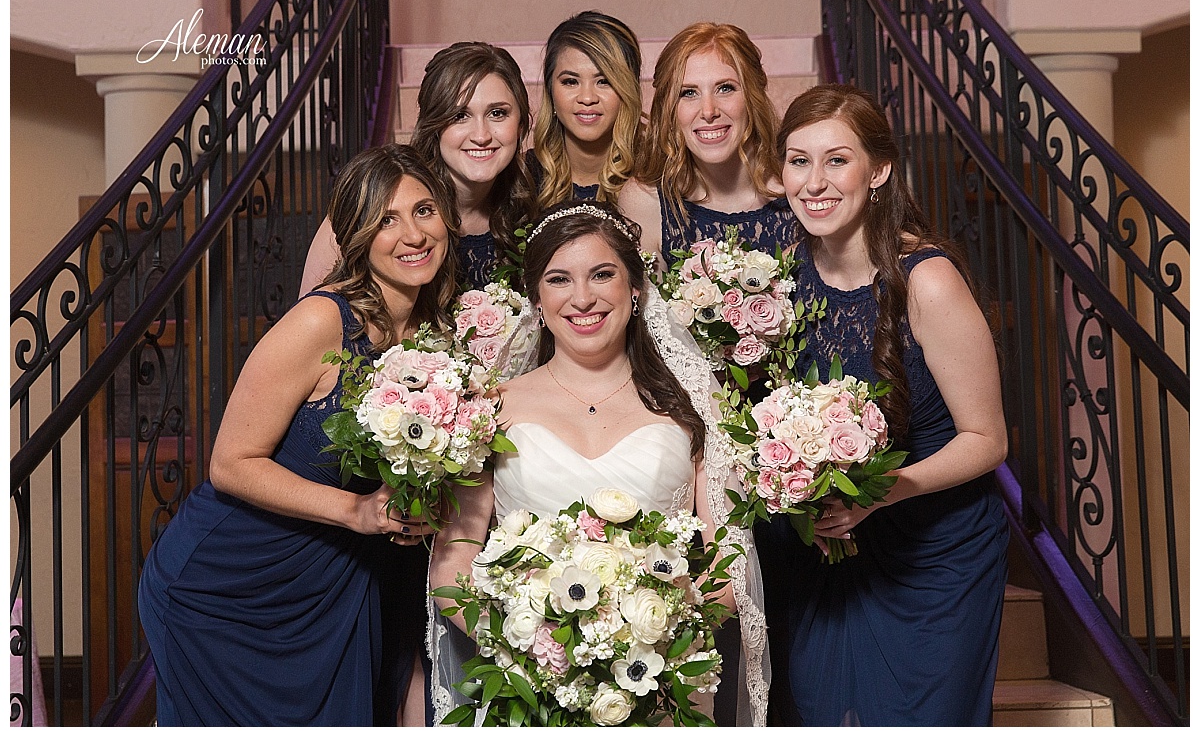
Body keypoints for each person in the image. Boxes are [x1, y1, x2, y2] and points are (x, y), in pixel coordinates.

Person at [138, 144, 457, 726]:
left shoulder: (436, 335)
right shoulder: (321, 322)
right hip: (226, 587)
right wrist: (357, 510)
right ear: (357, 234)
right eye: (386, 219)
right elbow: (231, 464)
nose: (412, 233)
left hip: (331, 587)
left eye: (425, 210)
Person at [426, 202, 770, 726]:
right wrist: (532, 645)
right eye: (559, 279)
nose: (582, 298)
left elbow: (729, 554)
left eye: (602, 274)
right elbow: (453, 564)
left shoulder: (693, 402)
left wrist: (663, 630)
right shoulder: (493, 406)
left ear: (636, 289)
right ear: (537, 300)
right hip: (532, 693)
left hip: (663, 685)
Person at [764, 83, 1009, 726]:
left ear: (879, 169)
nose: (814, 182)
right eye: (798, 160)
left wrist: (886, 492)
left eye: (836, 160)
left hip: (935, 555)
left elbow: (987, 439)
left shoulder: (927, 279)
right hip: (831, 554)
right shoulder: (777, 283)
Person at [300, 43, 537, 294]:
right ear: (433, 126)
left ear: (521, 124)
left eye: (497, 113)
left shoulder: (532, 202)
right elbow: (306, 323)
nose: (481, 135)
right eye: (459, 116)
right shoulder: (376, 198)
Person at [620, 22, 799, 269]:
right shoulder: (646, 202)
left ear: (752, 97)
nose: (708, 111)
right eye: (688, 93)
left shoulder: (798, 187)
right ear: (669, 109)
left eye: (725, 89)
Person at [528, 11, 644, 207]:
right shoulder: (522, 178)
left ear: (628, 89)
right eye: (571, 82)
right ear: (550, 91)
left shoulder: (657, 175)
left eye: (604, 81)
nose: (587, 98)